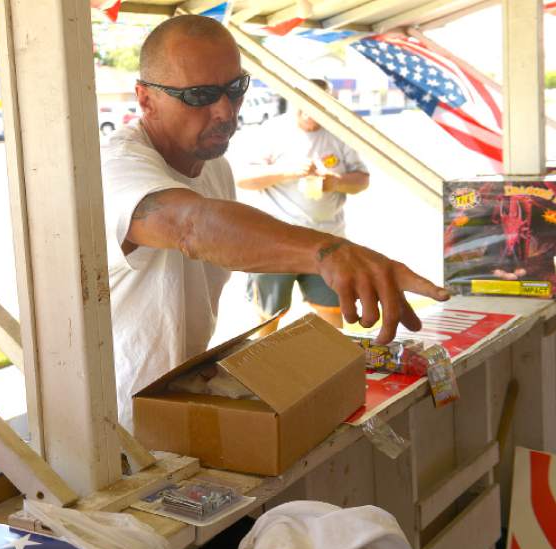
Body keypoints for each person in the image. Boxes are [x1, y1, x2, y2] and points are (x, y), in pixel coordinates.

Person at [102, 15, 450, 430]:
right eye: (200, 95)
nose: (225, 111)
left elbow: (222, 244)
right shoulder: (116, 166)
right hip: (112, 429)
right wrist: (327, 252)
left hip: (177, 403)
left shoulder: (216, 169)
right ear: (145, 99)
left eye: (235, 89)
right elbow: (190, 227)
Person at [236, 78, 370, 334]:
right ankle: (263, 368)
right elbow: (244, 179)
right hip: (276, 242)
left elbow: (362, 181)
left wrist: (334, 183)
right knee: (268, 316)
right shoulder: (273, 131)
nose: (312, 113)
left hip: (327, 241)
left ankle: (334, 366)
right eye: (306, 105)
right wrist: (285, 171)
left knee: (332, 312)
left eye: (319, 106)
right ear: (293, 100)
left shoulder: (338, 133)